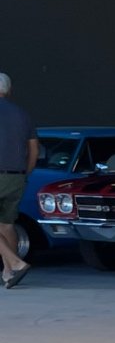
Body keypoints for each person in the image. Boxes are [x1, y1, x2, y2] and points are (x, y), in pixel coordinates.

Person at [0, 72, 37, 289]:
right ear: (9, 90)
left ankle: (16, 263)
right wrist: (25, 174)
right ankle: (9, 272)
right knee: (6, 225)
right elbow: (34, 149)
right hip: (16, 177)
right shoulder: (22, 114)